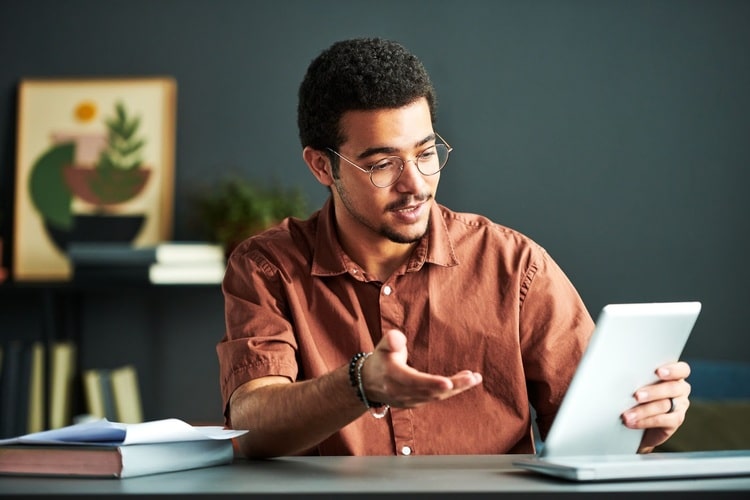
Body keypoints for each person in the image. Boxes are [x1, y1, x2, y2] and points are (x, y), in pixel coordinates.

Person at [216, 37, 691, 458]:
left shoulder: (515, 266)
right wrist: (359, 385)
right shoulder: (267, 268)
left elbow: (594, 431)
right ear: (322, 167)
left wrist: (647, 421)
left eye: (426, 154)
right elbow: (251, 427)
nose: (415, 184)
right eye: (383, 164)